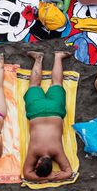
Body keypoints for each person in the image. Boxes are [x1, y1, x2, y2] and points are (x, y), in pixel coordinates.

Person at [22, 51, 74, 183]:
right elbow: (27, 174)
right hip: (36, 111)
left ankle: (58, 56)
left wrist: (49, 177)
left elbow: (68, 172)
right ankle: (38, 59)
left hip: (54, 110)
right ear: (38, 162)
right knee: (34, 85)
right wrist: (45, 178)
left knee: (56, 83)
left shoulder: (57, 152)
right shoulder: (34, 152)